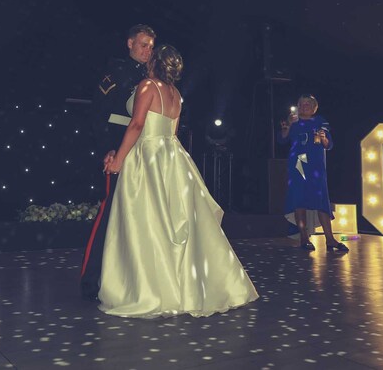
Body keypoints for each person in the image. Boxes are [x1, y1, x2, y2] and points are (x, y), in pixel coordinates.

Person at [100, 45, 259, 318]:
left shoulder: (147, 85)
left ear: (155, 63)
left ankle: (152, 289)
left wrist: (119, 159)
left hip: (147, 156)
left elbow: (137, 125)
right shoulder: (176, 94)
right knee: (174, 221)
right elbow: (172, 133)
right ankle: (183, 287)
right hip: (173, 157)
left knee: (146, 221)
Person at [80, 24, 156, 300]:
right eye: (142, 44)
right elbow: (98, 116)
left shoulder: (154, 76)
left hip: (147, 152)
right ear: (129, 43)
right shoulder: (116, 73)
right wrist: (108, 150)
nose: (146, 50)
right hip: (119, 150)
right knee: (109, 214)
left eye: (150, 46)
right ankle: (92, 279)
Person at [277, 95, 348, 252]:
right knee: (299, 199)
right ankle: (304, 237)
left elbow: (329, 145)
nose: (304, 106)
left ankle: (330, 239)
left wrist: (323, 139)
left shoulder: (320, 121)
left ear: (314, 107)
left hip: (316, 166)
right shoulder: (292, 121)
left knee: (321, 200)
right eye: (301, 104)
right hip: (299, 164)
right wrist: (287, 126)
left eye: (308, 104)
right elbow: (282, 140)